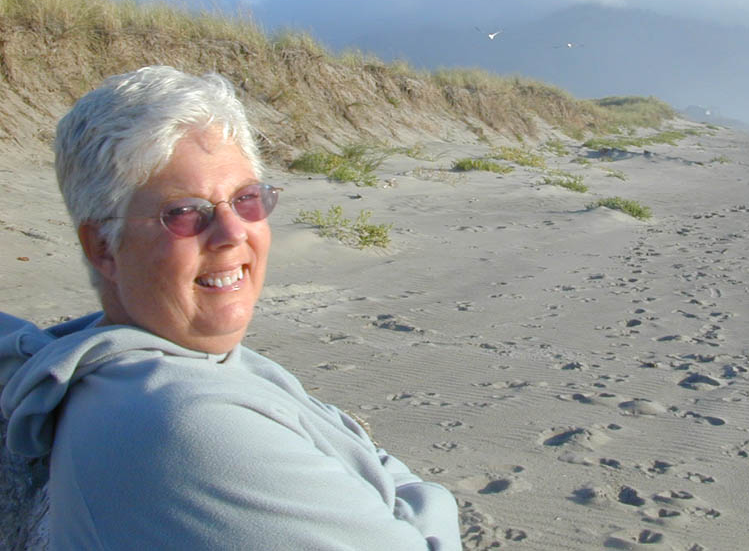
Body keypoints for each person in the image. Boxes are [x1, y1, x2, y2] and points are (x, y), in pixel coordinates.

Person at [0, 65, 461, 550]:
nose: (233, 233)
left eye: (246, 199)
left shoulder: (150, 361)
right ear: (103, 249)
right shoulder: (181, 425)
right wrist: (424, 498)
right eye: (184, 212)